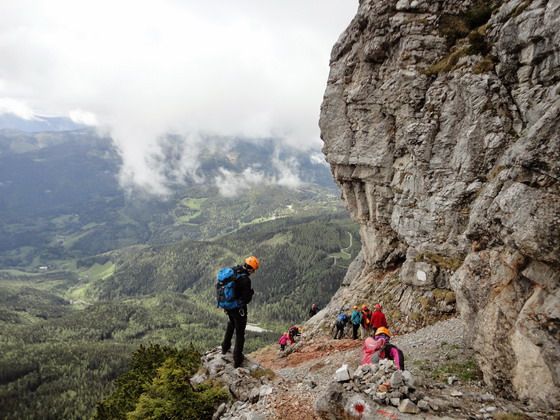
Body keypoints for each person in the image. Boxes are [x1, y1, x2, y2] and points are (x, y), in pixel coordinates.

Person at [221, 256, 259, 368]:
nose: (253, 272)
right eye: (253, 270)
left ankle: (225, 347)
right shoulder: (245, 280)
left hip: (228, 306)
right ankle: (237, 359)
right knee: (240, 333)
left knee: (231, 323)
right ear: (250, 269)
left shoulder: (233, 270)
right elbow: (246, 299)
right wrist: (251, 293)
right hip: (238, 309)